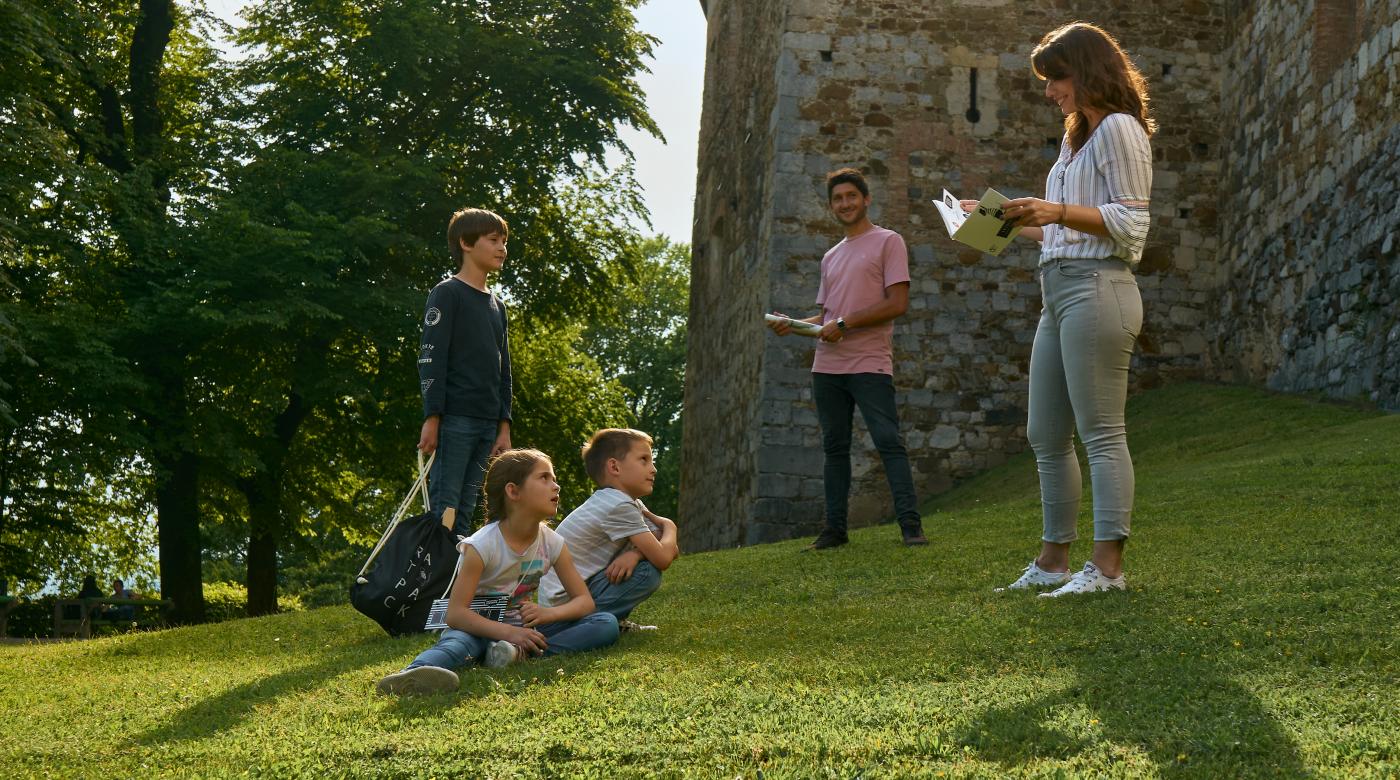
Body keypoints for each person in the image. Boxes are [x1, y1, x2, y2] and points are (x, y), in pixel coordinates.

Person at [985, 22, 1154, 597]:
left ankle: (1107, 568)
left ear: (1087, 72)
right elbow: (1063, 230)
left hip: (1098, 288)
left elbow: (1131, 223)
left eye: (1056, 78)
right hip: (1057, 290)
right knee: (1045, 432)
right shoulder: (1072, 142)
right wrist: (999, 221)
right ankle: (1053, 560)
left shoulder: (1120, 130)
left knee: (1101, 432)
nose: (1050, 90)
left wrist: (1054, 211)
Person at [768, 167, 927, 550]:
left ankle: (911, 528)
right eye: (838, 199)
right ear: (832, 206)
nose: (845, 203)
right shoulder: (830, 256)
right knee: (834, 448)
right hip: (827, 367)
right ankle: (835, 531)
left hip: (870, 362)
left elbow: (897, 304)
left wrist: (845, 322)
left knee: (888, 441)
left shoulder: (889, 242)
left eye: (851, 196)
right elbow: (825, 317)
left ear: (866, 199)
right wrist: (794, 324)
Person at [376, 449, 619, 696]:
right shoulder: (481, 546)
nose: (555, 486)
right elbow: (456, 615)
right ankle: (410, 675)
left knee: (606, 623)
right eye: (544, 478)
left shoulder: (554, 544)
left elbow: (585, 602)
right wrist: (510, 633)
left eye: (553, 479)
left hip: (526, 632)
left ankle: (515, 653)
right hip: (477, 630)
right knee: (457, 644)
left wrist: (548, 614)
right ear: (513, 491)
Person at [417, 207, 515, 537]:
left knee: (467, 509)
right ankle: (434, 582)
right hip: (455, 420)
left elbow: (504, 371)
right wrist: (433, 417)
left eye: (504, 241)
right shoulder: (447, 293)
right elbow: (431, 358)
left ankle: (454, 585)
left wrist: (504, 425)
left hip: (488, 423)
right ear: (466, 243)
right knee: (445, 507)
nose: (502, 247)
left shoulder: (497, 305)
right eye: (493, 240)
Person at [538, 428, 679, 632]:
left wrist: (636, 554)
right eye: (644, 460)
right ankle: (577, 626)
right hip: (563, 606)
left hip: (578, 593)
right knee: (647, 572)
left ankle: (606, 620)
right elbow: (663, 557)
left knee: (642, 563)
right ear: (614, 467)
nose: (653, 468)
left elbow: (670, 548)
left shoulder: (629, 503)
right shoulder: (617, 505)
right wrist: (670, 525)